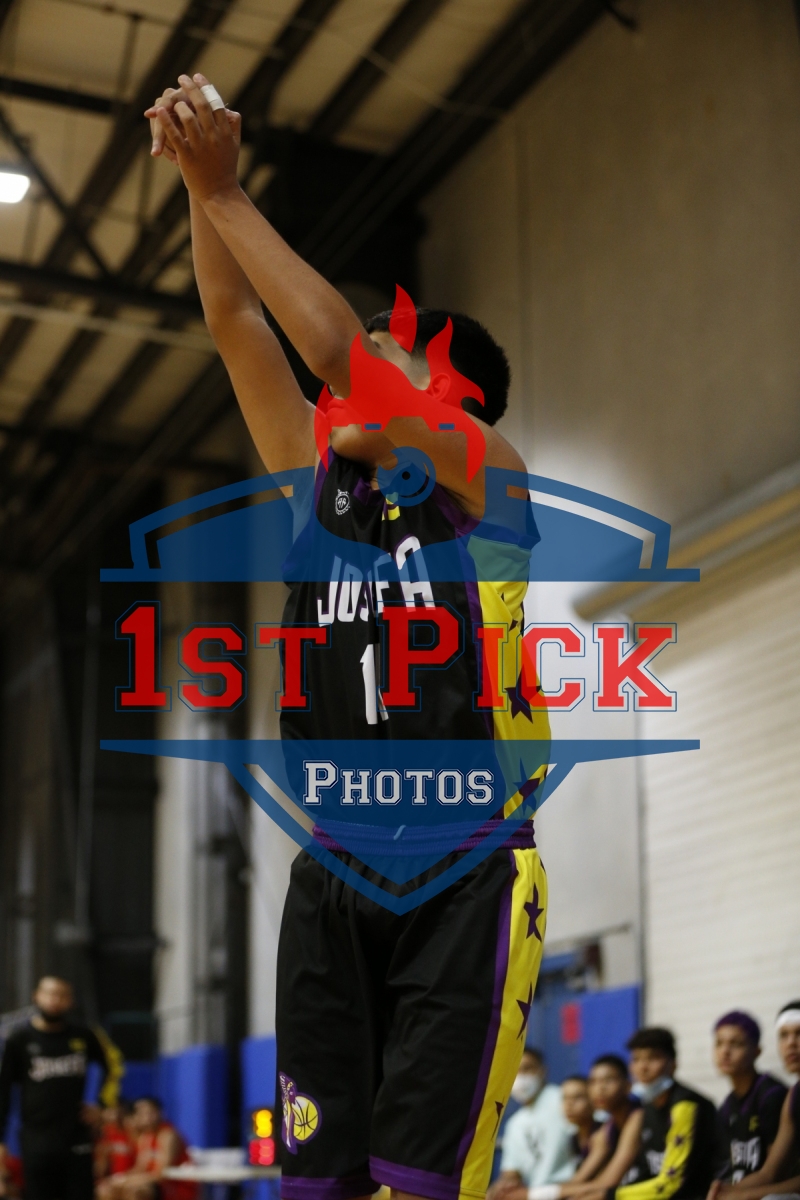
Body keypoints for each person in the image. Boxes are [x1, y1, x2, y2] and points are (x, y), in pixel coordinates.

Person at [145, 71, 550, 1200]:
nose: (345, 387)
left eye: (391, 355)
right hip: (334, 862)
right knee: (316, 1182)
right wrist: (196, 183)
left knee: (416, 1185)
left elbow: (325, 348)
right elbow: (236, 322)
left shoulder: (488, 477)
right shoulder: (314, 487)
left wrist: (229, 189)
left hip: (465, 860)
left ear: (449, 396)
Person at [0, 976, 110, 1200]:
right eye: (49, 993)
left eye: (62, 995)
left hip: (76, 1135)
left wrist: (100, 1104)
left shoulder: (84, 1035)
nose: (55, 1000)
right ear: (36, 996)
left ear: (71, 1001)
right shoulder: (19, 1040)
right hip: (36, 1138)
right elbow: (3, 1089)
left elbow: (111, 1069)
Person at [491, 1053, 642, 1200]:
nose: (600, 1088)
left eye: (578, 1097)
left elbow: (604, 1185)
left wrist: (531, 1195)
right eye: (594, 1082)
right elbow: (577, 1182)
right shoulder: (579, 1137)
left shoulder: (615, 1127)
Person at [607, 1026, 716, 1200]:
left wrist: (610, 1196)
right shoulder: (648, 1107)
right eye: (636, 1059)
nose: (643, 1067)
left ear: (673, 1064)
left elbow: (671, 1184)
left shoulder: (685, 1106)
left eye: (653, 1058)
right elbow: (647, 1171)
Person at [708, 1002, 800, 1200]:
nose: (791, 1043)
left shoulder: (772, 1095)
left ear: (757, 1051)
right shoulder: (793, 1095)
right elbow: (769, 1173)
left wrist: (743, 1195)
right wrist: (724, 1192)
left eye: (736, 1044)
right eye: (783, 1035)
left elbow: (781, 1174)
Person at [490, 1048, 579, 1194]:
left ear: (542, 1071)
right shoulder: (514, 1124)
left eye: (527, 1068)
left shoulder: (563, 1100)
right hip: (536, 1193)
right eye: (515, 1070)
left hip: (572, 1190)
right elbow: (510, 1174)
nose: (520, 1076)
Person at [97, 1097, 196, 1200]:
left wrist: (127, 1182)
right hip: (152, 1183)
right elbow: (140, 1168)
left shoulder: (168, 1135)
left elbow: (160, 1174)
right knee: (106, 1189)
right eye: (141, 1113)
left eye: (149, 1112)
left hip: (173, 1186)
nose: (146, 1117)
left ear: (159, 1112)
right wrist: (120, 1179)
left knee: (136, 1192)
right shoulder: (146, 1136)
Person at [94, 1101, 136, 1183]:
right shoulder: (103, 1133)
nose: (115, 1115)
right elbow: (100, 1166)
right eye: (110, 1111)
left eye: (117, 1111)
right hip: (108, 1180)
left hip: (128, 1178)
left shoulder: (131, 1133)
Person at [562, 1077, 598, 1162]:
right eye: (565, 1098)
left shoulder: (606, 1133)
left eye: (577, 1097)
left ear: (592, 1100)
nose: (569, 1104)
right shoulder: (572, 1139)